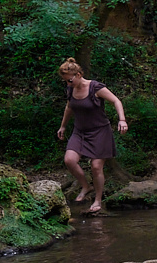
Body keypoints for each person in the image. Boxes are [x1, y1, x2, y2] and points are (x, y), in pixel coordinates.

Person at [55, 58, 128, 214]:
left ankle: (98, 200)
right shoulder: (70, 89)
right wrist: (63, 126)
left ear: (79, 74)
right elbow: (69, 108)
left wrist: (122, 119)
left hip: (100, 131)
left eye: (69, 80)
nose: (68, 84)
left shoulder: (95, 87)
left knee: (96, 167)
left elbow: (116, 100)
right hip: (79, 132)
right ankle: (86, 186)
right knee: (69, 160)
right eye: (65, 81)